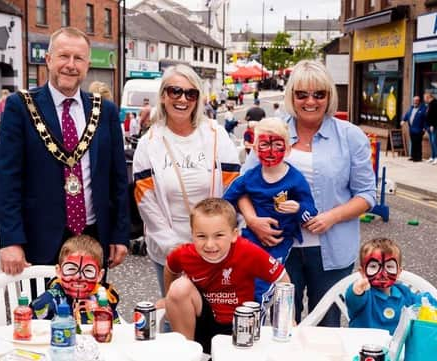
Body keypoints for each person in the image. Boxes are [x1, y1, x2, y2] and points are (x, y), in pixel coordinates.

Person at [238, 60, 376, 327]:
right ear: (291, 96)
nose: (310, 101)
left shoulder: (350, 136)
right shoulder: (271, 132)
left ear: (329, 96)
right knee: (280, 324)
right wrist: (253, 221)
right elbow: (242, 186)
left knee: (326, 327)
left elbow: (367, 194)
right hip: (277, 247)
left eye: (319, 94)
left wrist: (332, 217)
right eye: (302, 94)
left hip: (332, 249)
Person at [0, 27, 130, 276]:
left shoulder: (105, 111)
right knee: (41, 312)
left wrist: (120, 234)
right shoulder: (20, 107)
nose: (71, 65)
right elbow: (6, 179)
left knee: (92, 312)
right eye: (63, 56)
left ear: (87, 65)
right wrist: (11, 240)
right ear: (48, 60)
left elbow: (118, 179)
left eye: (78, 58)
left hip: (93, 237)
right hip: (39, 240)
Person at [132, 64, 240, 296]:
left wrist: (223, 237)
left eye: (191, 93)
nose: (183, 99)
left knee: (217, 318)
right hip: (170, 250)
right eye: (175, 91)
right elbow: (146, 202)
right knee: (176, 317)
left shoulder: (215, 134)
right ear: (163, 96)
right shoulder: (149, 143)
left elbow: (234, 188)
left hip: (216, 248)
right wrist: (175, 247)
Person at [163, 198, 290, 353]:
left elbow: (282, 278)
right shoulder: (184, 254)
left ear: (234, 235)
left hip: (241, 323)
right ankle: (188, 353)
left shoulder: (248, 251)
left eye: (219, 235)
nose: (210, 244)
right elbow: (170, 268)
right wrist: (168, 298)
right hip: (204, 318)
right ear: (192, 235)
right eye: (201, 236)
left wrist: (287, 319)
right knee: (178, 289)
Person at [223, 118, 317, 302]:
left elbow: (310, 210)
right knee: (241, 278)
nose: (271, 152)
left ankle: (260, 314)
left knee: (266, 282)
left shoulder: (295, 179)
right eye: (264, 145)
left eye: (277, 145)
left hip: (279, 242)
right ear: (255, 148)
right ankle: (248, 314)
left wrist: (298, 208)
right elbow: (226, 201)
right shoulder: (250, 177)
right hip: (250, 238)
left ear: (288, 149)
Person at [346, 238, 437, 335]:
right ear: (362, 272)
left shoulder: (404, 293)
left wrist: (432, 305)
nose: (383, 273)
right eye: (374, 267)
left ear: (399, 272)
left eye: (390, 267)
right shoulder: (365, 294)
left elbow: (427, 304)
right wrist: (356, 290)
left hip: (397, 348)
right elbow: (353, 300)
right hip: (363, 346)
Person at [30, 235, 121, 325]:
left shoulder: (104, 303)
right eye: (71, 269)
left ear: (99, 276)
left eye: (88, 270)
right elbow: (29, 329)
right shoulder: (46, 302)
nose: (79, 276)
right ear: (59, 272)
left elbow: (116, 332)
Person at [400, 96, 426, 162]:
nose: (415, 102)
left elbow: (425, 119)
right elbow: (407, 115)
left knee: (418, 143)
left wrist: (425, 127)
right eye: (414, 100)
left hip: (419, 129)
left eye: (416, 100)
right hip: (412, 129)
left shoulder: (423, 109)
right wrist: (403, 120)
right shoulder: (411, 108)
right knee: (413, 143)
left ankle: (418, 157)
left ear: (419, 101)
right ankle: (413, 156)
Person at [424, 90, 437, 164]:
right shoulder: (429, 104)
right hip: (428, 125)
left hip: (434, 126)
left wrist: (432, 125)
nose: (424, 99)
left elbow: (435, 115)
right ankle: (432, 156)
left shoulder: (435, 103)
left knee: (434, 141)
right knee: (431, 141)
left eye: (425, 97)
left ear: (428, 97)